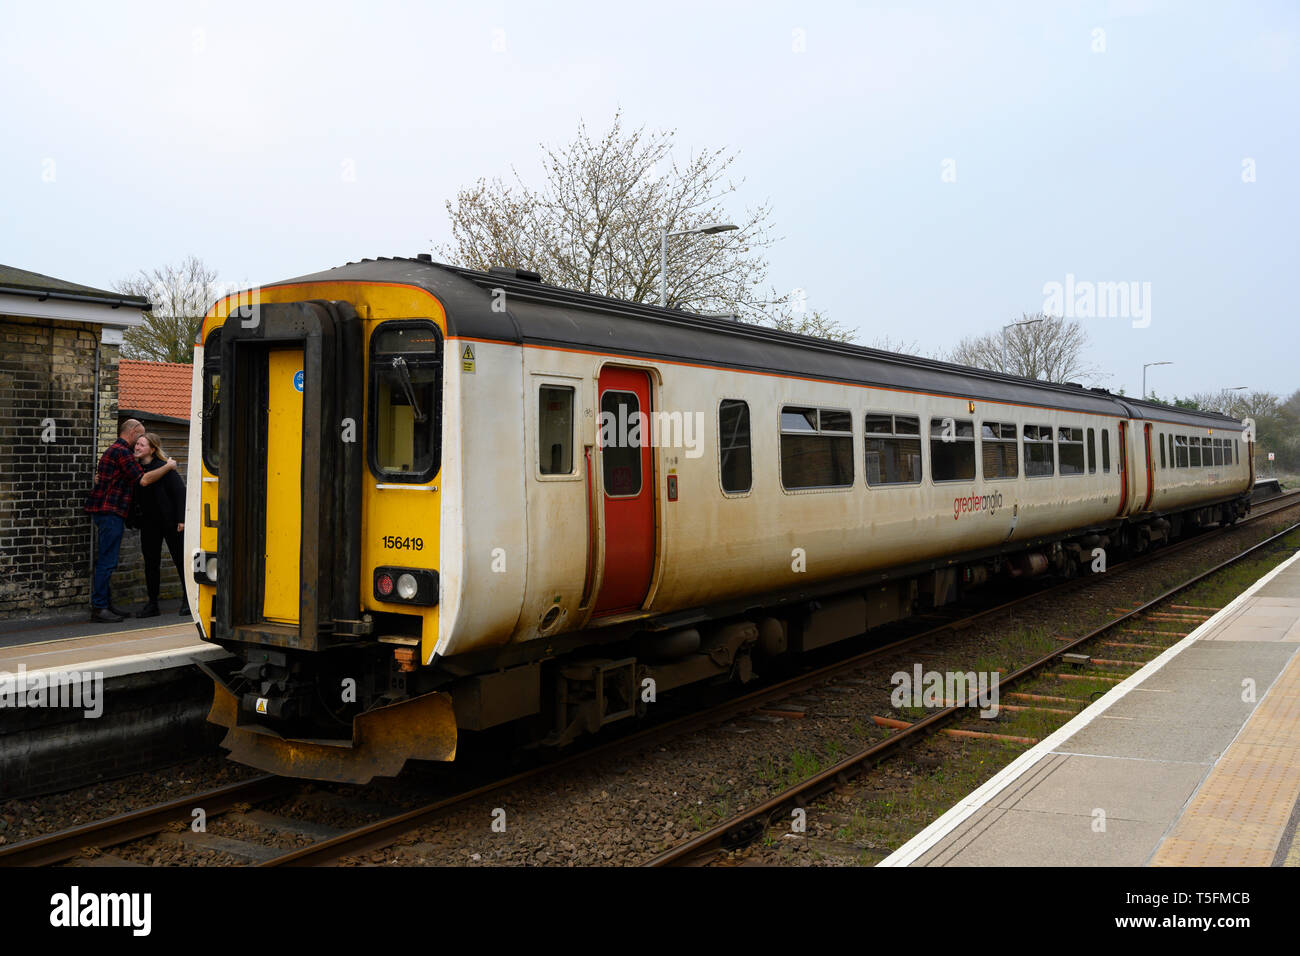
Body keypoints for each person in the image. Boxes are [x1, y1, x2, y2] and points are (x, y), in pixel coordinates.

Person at [84, 419, 177, 623]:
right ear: (133, 431)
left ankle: (106, 604)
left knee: (107, 560)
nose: (139, 441)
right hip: (110, 511)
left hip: (106, 511)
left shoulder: (114, 450)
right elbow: (143, 479)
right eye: (140, 435)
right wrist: (168, 466)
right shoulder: (122, 452)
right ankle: (99, 607)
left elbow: (109, 477)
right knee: (107, 561)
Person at [131, 432, 189, 618]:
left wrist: (182, 519)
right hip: (149, 523)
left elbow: (180, 493)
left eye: (142, 445)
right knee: (151, 563)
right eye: (137, 444)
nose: (137, 447)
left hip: (171, 522)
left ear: (152, 449)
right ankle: (152, 604)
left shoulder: (164, 467)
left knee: (180, 560)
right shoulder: (136, 468)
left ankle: (188, 600)